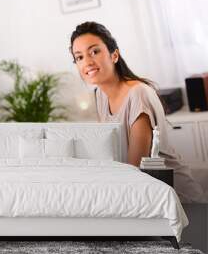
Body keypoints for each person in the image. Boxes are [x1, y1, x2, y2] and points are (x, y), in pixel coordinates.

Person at [69, 21, 207, 203]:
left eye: (94, 51)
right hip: (145, 195)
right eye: (79, 57)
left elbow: (136, 168)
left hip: (176, 199)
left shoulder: (138, 94)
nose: (87, 62)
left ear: (114, 55)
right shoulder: (100, 95)